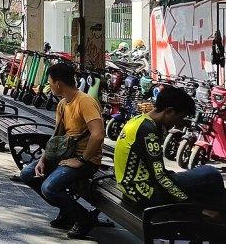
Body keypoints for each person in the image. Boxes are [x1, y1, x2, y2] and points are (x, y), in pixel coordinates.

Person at [19, 63, 105, 239]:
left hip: (87, 160)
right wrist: (43, 159)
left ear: (58, 84)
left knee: (49, 188)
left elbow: (98, 135)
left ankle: (83, 219)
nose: (49, 86)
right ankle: (68, 212)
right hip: (65, 155)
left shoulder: (85, 101)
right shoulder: (63, 104)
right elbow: (57, 136)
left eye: (50, 82)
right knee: (28, 174)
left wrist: (81, 160)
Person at [115, 85, 226, 211]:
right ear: (169, 111)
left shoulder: (138, 120)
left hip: (129, 186)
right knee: (211, 174)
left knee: (201, 176)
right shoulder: (148, 132)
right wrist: (188, 202)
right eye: (180, 117)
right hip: (144, 192)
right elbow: (160, 177)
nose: (178, 123)